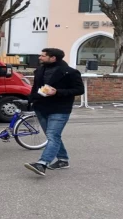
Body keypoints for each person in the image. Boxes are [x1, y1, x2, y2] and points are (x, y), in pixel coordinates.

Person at [24, 48, 84, 176]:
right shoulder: (40, 70)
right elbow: (35, 88)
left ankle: (42, 164)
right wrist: (31, 101)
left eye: (43, 56)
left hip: (60, 109)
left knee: (53, 136)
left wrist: (57, 92)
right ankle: (63, 160)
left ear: (53, 58)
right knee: (53, 137)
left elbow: (79, 90)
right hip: (41, 107)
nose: (40, 57)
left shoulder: (70, 72)